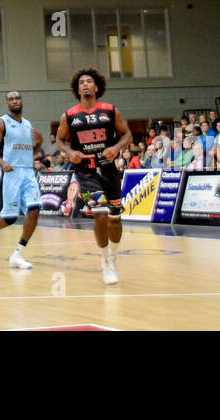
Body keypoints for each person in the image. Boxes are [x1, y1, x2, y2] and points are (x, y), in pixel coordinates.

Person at [56, 67, 132, 285]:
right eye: (81, 83)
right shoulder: (69, 115)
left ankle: (113, 256)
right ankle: (105, 260)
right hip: (86, 170)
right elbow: (60, 140)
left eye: (89, 81)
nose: (85, 85)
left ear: (96, 87)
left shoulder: (110, 111)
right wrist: (70, 152)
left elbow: (127, 134)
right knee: (100, 214)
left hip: (108, 168)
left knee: (115, 218)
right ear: (77, 89)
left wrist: (116, 147)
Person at [0, 90, 44, 269]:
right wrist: (2, 163)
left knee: (35, 211)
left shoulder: (28, 125)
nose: (15, 101)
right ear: (7, 103)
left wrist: (40, 143)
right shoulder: (1, 122)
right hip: (11, 173)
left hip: (28, 173)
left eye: (17, 98)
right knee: (10, 218)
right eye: (11, 99)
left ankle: (17, 255)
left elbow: (32, 151)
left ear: (22, 101)